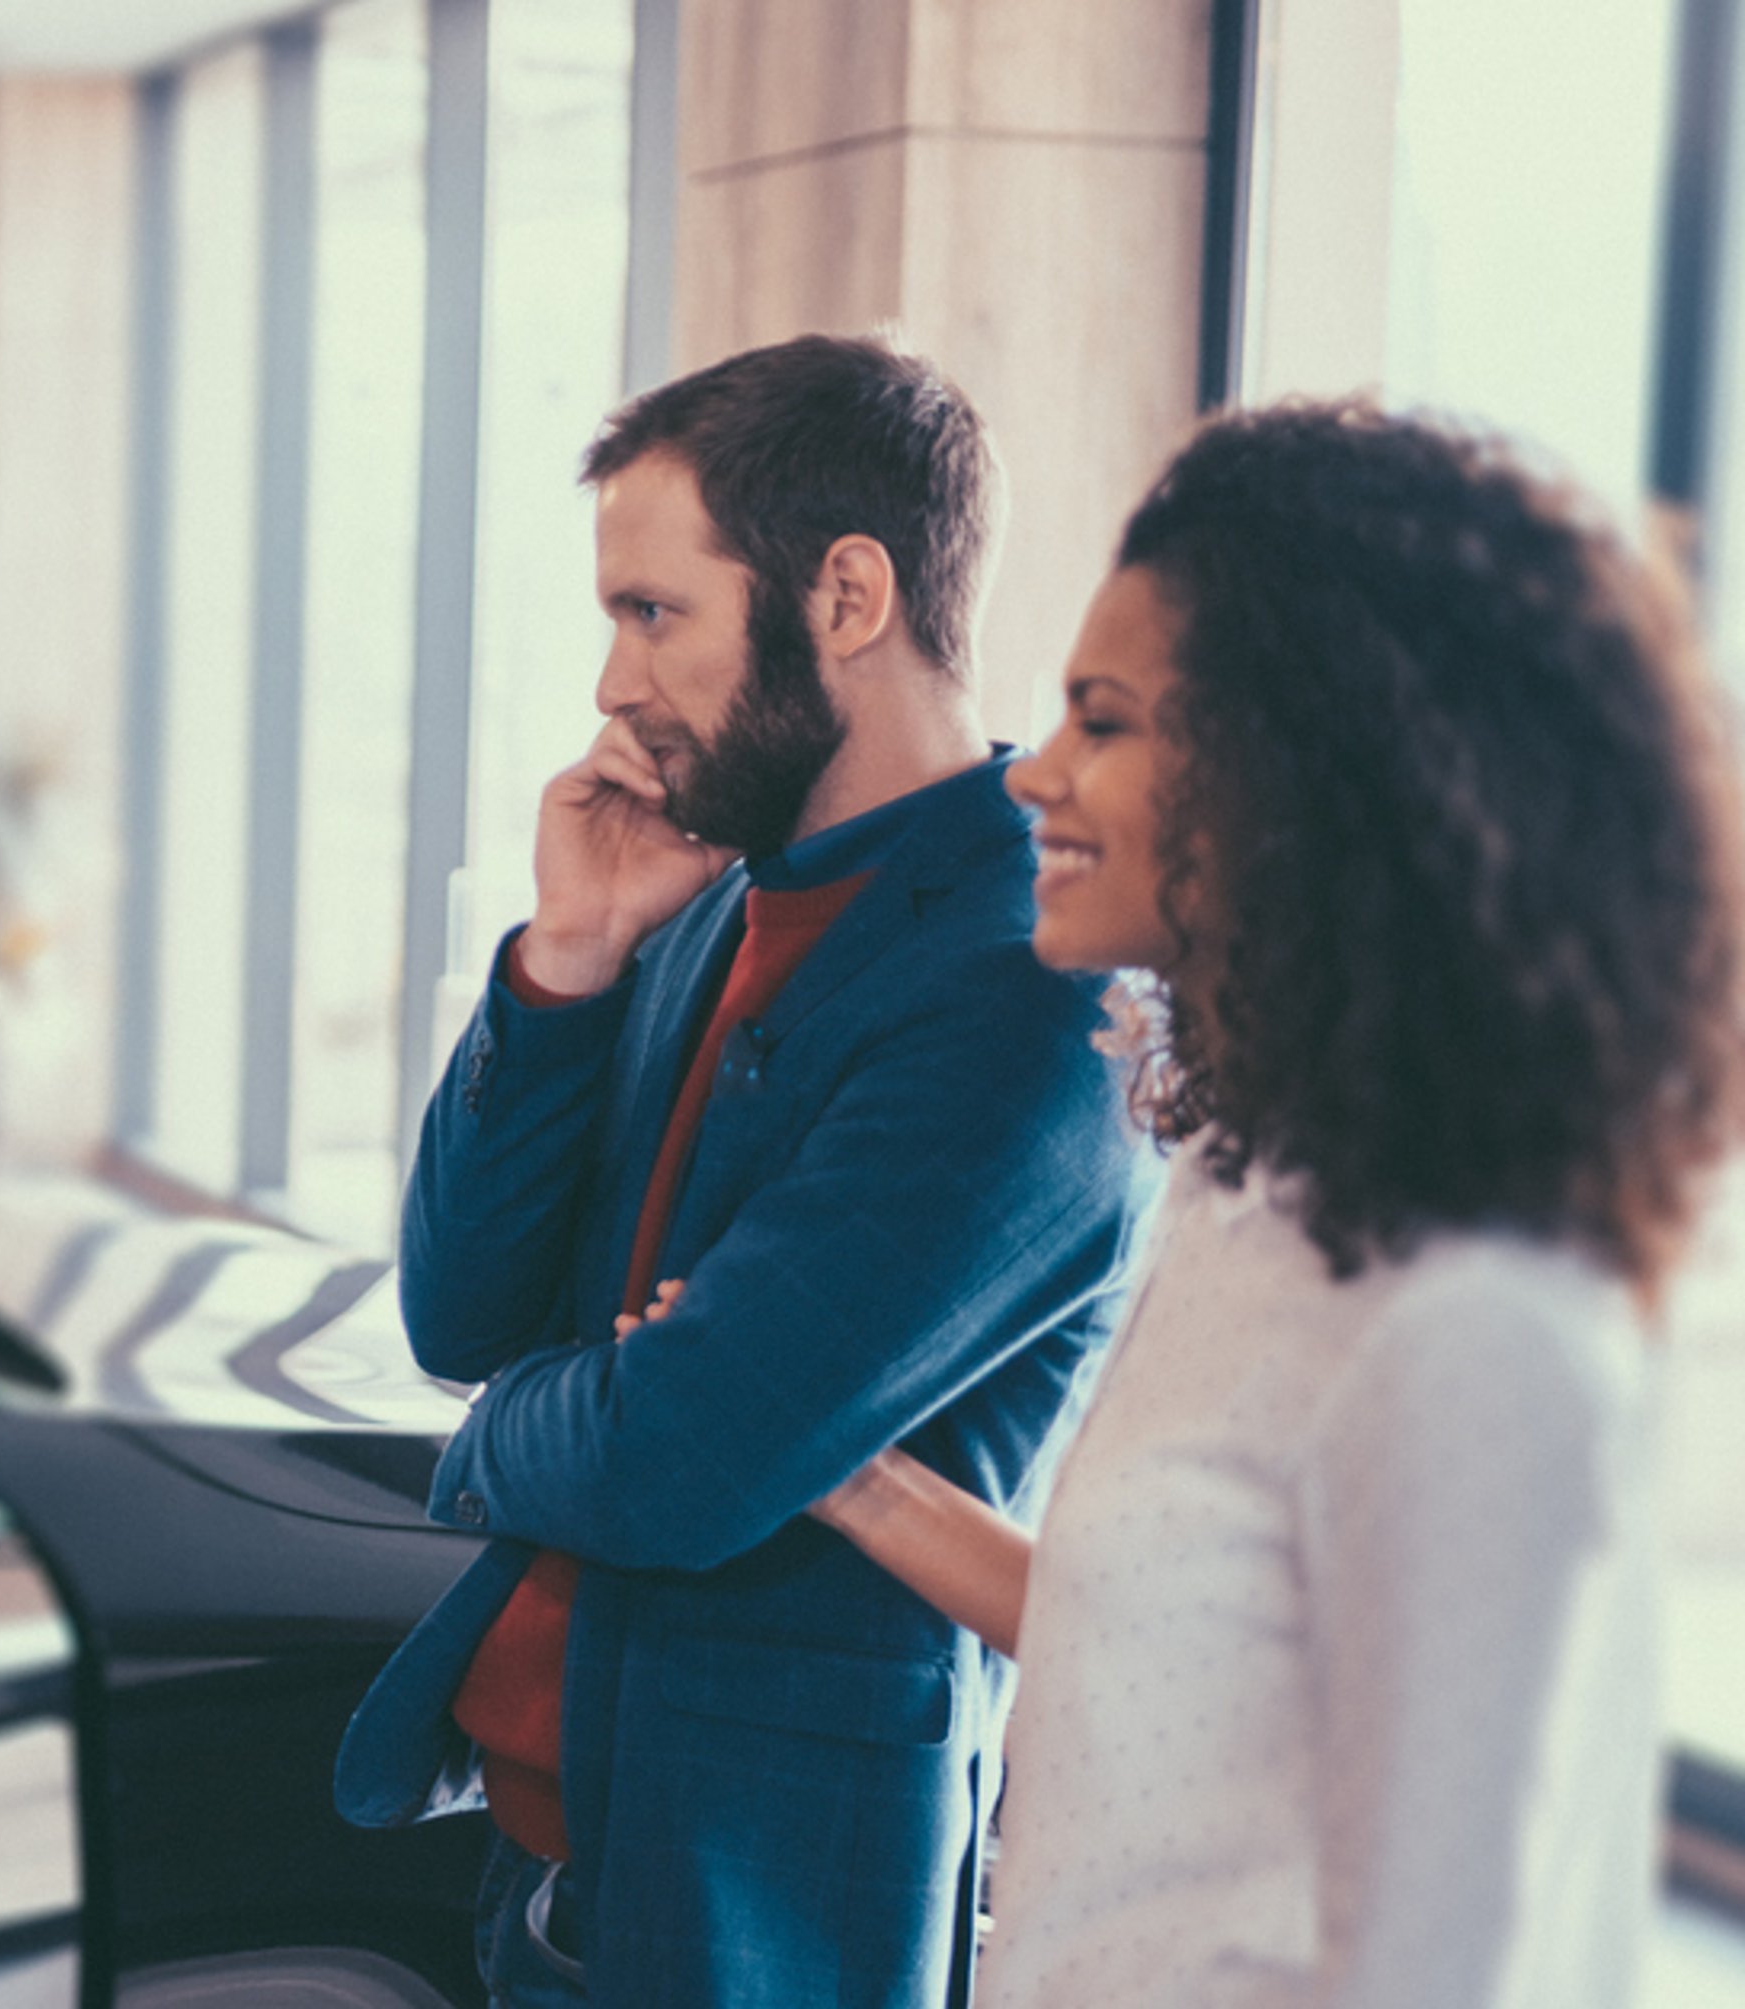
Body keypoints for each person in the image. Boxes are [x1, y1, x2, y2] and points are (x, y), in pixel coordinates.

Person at [802, 400, 1743, 2007]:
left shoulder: (1477, 1326)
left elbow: (1450, 1973)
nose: (1035, 772)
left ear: (1307, 775)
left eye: (1105, 719)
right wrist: (855, 1480)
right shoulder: (1247, 1191)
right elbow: (1184, 1645)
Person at [331, 334, 1151, 2007]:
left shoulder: (1030, 986)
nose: (613, 684)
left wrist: (499, 1434)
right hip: (554, 1869)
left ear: (847, 596)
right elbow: (458, 1303)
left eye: (654, 613)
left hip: (759, 1911)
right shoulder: (702, 893)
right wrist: (565, 960)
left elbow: (678, 1460)